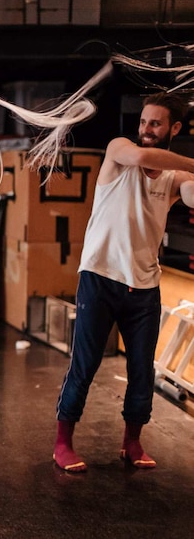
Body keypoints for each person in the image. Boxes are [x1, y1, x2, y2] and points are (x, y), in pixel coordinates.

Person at [53, 91, 194, 472]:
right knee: (84, 365)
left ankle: (132, 441)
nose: (146, 129)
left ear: (174, 128)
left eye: (156, 123)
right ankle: (62, 443)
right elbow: (143, 156)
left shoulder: (175, 177)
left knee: (142, 371)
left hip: (144, 287)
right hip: (99, 277)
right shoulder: (120, 150)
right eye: (144, 121)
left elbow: (192, 193)